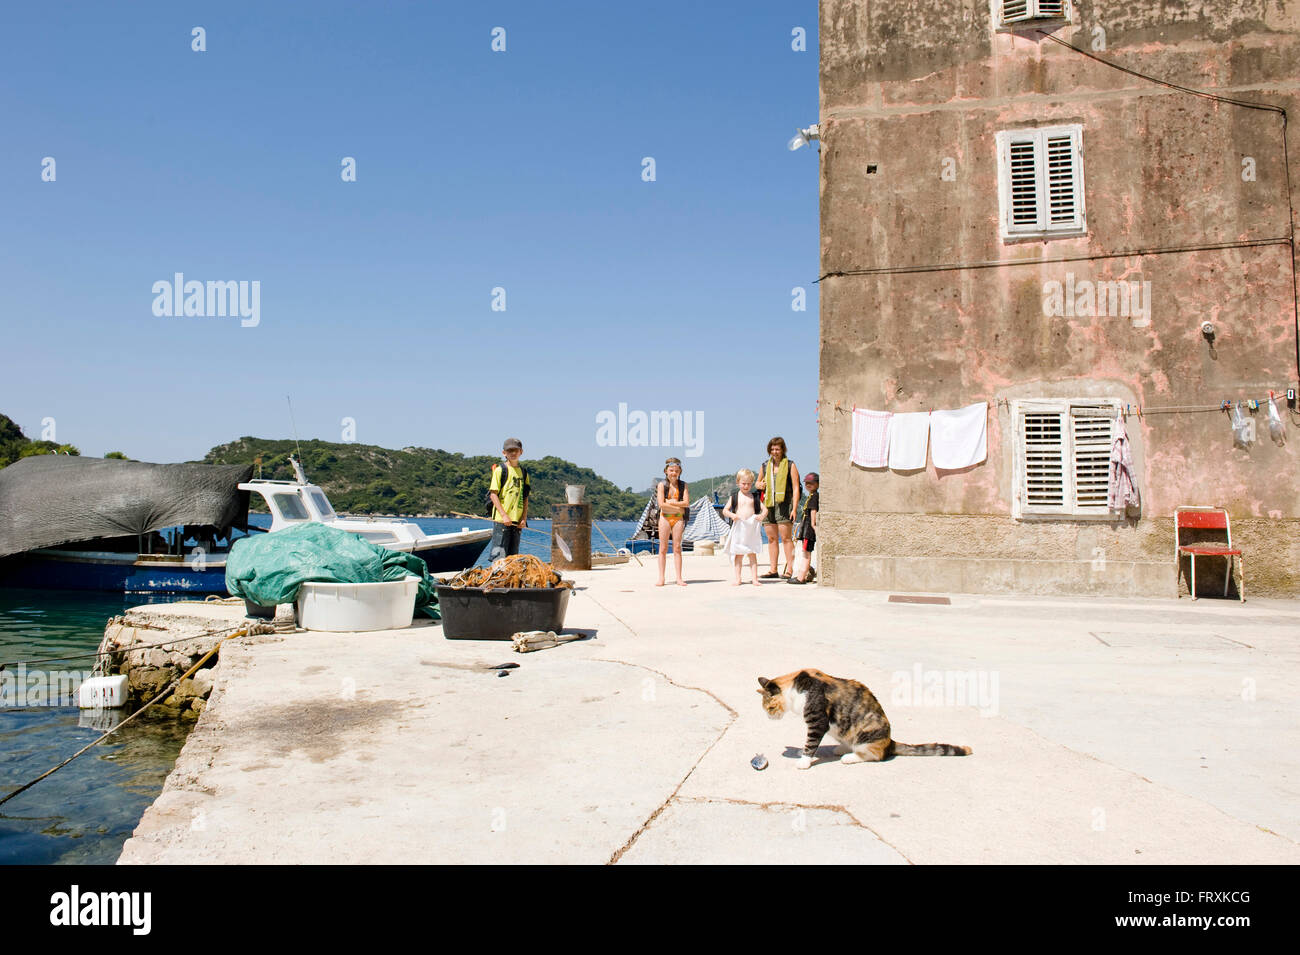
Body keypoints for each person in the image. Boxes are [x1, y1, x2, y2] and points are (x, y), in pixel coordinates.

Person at [755, 436, 800, 579]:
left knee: (786, 538)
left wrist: (794, 509)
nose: (775, 452)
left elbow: (796, 488)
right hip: (768, 505)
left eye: (777, 449)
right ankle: (773, 569)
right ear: (769, 450)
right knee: (771, 538)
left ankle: (790, 569)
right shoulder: (764, 466)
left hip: (784, 504)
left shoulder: (790, 465)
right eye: (772, 449)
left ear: (782, 450)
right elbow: (757, 483)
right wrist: (759, 485)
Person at [722, 468, 767, 586]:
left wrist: (761, 516)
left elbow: (765, 510)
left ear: (752, 484)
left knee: (752, 554)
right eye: (743, 483)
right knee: (739, 554)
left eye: (748, 484)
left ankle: (754, 578)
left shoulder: (754, 497)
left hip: (751, 528)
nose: (746, 486)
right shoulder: (735, 497)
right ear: (738, 483)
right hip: (740, 527)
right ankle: (738, 578)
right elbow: (725, 510)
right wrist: (733, 515)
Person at [487, 437, 530, 561]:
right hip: (502, 520)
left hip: (517, 521)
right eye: (509, 450)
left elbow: (525, 497)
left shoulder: (524, 473)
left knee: (513, 556)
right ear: (504, 453)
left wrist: (524, 518)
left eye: (515, 450)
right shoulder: (500, 470)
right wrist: (504, 515)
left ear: (521, 452)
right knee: (499, 555)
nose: (513, 453)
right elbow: (493, 495)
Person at [656, 457, 690, 587]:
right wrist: (678, 506)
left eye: (676, 470)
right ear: (666, 471)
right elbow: (661, 505)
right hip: (664, 517)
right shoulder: (661, 485)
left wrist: (670, 502)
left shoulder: (683, 485)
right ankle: (661, 578)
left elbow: (686, 503)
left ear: (680, 471)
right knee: (663, 548)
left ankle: (679, 578)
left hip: (678, 519)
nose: (673, 473)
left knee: (677, 547)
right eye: (671, 470)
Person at [788, 472, 819, 585]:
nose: (809, 485)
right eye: (807, 483)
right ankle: (805, 574)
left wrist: (813, 525)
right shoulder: (812, 496)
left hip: (808, 529)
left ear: (817, 484)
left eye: (812, 483)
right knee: (805, 552)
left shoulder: (814, 497)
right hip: (806, 528)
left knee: (806, 553)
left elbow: (813, 511)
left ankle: (801, 577)